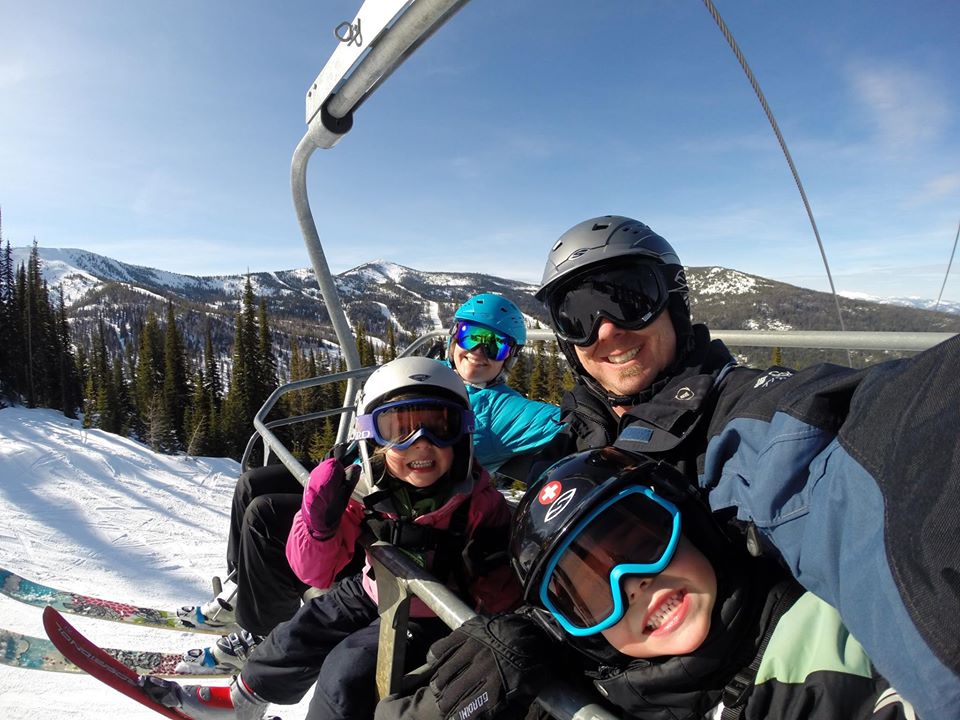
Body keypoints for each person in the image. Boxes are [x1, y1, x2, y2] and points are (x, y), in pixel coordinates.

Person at [407, 215, 959, 718]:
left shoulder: (746, 422)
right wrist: (543, 622)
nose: (605, 331)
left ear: (674, 302)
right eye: (577, 317)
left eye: (628, 298)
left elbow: (881, 453)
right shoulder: (579, 432)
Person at [377, 446, 917, 719]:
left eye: (641, 543)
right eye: (588, 596)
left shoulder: (822, 638)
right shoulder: (602, 687)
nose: (630, 584)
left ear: (695, 526)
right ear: (578, 633)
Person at [175, 292, 560, 673]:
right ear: (453, 337)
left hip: (391, 506)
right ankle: (240, 586)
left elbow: (566, 423)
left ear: (511, 356)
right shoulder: (429, 368)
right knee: (254, 484)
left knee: (266, 516)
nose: (478, 351)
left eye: (496, 345)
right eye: (469, 336)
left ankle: (261, 631)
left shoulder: (504, 410)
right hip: (363, 474)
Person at [143, 356, 523, 719]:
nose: (421, 442)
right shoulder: (365, 489)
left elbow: (499, 592)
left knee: (346, 672)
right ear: (375, 439)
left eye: (440, 427)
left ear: (462, 436)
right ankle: (240, 702)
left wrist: (486, 581)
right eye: (399, 430)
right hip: (372, 588)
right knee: (296, 634)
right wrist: (317, 520)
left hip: (430, 615)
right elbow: (314, 573)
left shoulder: (478, 505)